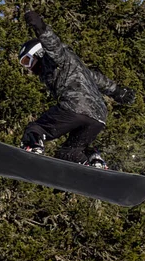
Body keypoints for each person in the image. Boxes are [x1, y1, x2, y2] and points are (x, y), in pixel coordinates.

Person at [17, 11, 135, 168]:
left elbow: (53, 45)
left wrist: (40, 27)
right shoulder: (75, 67)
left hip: (75, 107)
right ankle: (93, 160)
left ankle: (33, 147)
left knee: (35, 128)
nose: (29, 68)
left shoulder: (53, 58)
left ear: (37, 53)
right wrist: (117, 91)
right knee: (69, 152)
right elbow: (96, 78)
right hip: (98, 116)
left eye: (27, 61)